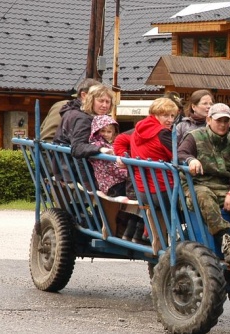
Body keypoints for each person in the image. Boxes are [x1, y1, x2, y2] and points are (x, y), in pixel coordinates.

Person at [178, 104, 230, 276]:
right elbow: (180, 154)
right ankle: (225, 240)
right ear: (209, 120)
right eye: (218, 120)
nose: (222, 124)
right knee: (204, 196)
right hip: (196, 186)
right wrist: (191, 160)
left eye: (226, 121)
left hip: (224, 188)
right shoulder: (194, 137)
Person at [89, 114, 144, 242]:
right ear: (96, 131)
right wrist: (130, 172)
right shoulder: (98, 146)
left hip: (117, 181)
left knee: (138, 194)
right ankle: (131, 229)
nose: (106, 134)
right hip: (111, 184)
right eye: (103, 131)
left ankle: (131, 229)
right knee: (139, 195)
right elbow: (111, 169)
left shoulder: (111, 145)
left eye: (109, 131)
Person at [129, 97, 179, 232]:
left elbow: (121, 139)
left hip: (142, 189)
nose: (170, 120)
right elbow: (178, 157)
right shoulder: (162, 133)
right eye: (165, 115)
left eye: (172, 115)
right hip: (163, 188)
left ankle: (155, 241)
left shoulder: (137, 131)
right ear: (154, 115)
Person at [53, 84, 115, 186]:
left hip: (66, 167)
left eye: (107, 102)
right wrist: (100, 149)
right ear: (91, 100)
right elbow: (77, 147)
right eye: (101, 101)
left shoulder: (76, 113)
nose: (105, 105)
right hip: (77, 171)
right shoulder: (84, 119)